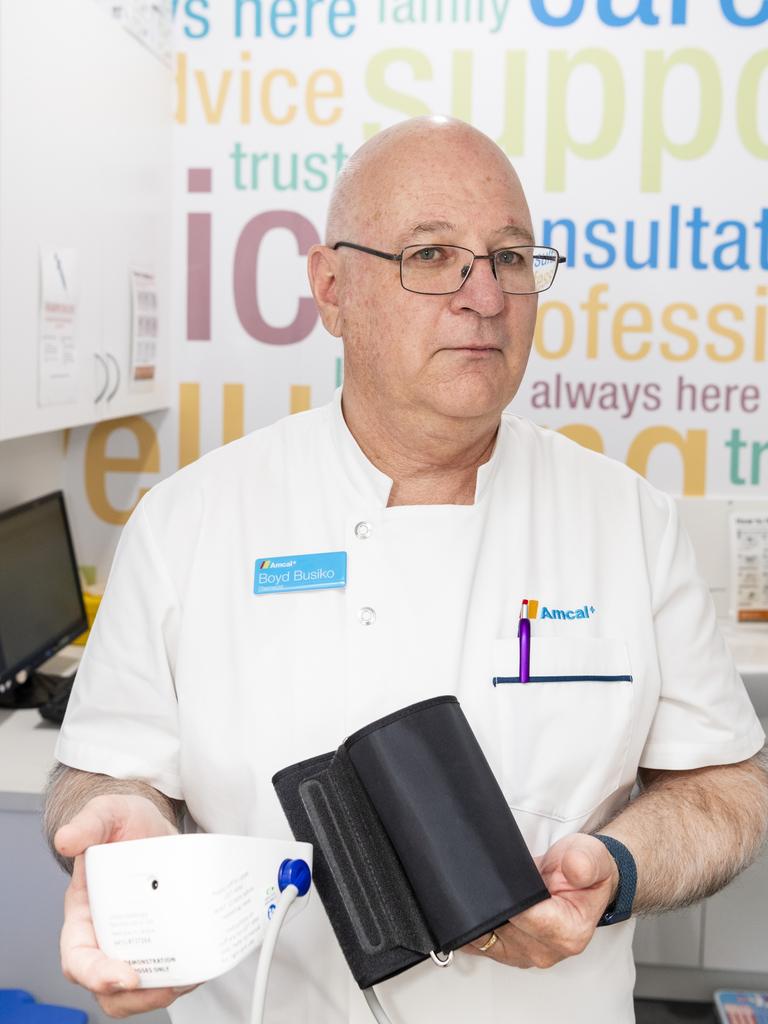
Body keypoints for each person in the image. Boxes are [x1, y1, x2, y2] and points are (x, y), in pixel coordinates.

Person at [44, 116, 767, 1024]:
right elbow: (103, 773)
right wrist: (126, 828)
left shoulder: (628, 522)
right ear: (332, 288)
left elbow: (725, 784)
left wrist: (616, 870)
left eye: (509, 257)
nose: (485, 296)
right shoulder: (189, 522)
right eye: (431, 255)